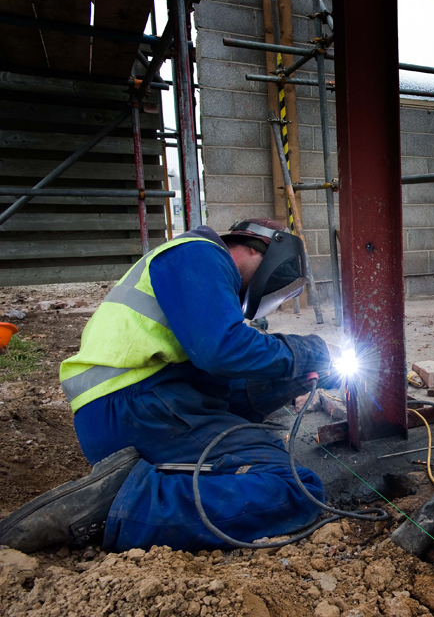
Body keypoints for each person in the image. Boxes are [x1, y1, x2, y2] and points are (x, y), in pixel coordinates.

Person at [0, 218, 338, 553]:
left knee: (259, 452)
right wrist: (309, 351)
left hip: (134, 408)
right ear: (258, 249)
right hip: (136, 408)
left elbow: (218, 381)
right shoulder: (198, 254)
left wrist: (283, 384)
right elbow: (222, 350)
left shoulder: (193, 273)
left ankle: (142, 485)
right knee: (294, 488)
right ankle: (125, 505)